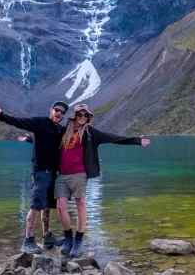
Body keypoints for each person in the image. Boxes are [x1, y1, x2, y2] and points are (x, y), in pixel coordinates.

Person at [55, 103, 150, 258]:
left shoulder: (90, 132)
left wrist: (134, 140)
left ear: (88, 117)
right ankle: (68, 238)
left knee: (80, 204)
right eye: (80, 115)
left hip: (79, 173)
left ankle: (78, 239)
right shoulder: (65, 130)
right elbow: (47, 139)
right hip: (62, 174)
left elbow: (111, 137)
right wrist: (30, 138)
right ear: (75, 116)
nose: (83, 117)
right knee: (60, 207)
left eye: (85, 115)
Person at [0, 101, 69, 254]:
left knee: (47, 206)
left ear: (63, 116)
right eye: (57, 110)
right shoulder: (39, 122)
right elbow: (20, 122)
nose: (59, 113)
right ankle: (28, 240)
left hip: (53, 174)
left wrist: (29, 140)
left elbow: (47, 141)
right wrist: (1, 116)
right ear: (51, 110)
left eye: (62, 112)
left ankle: (47, 236)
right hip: (40, 173)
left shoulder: (59, 129)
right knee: (36, 206)